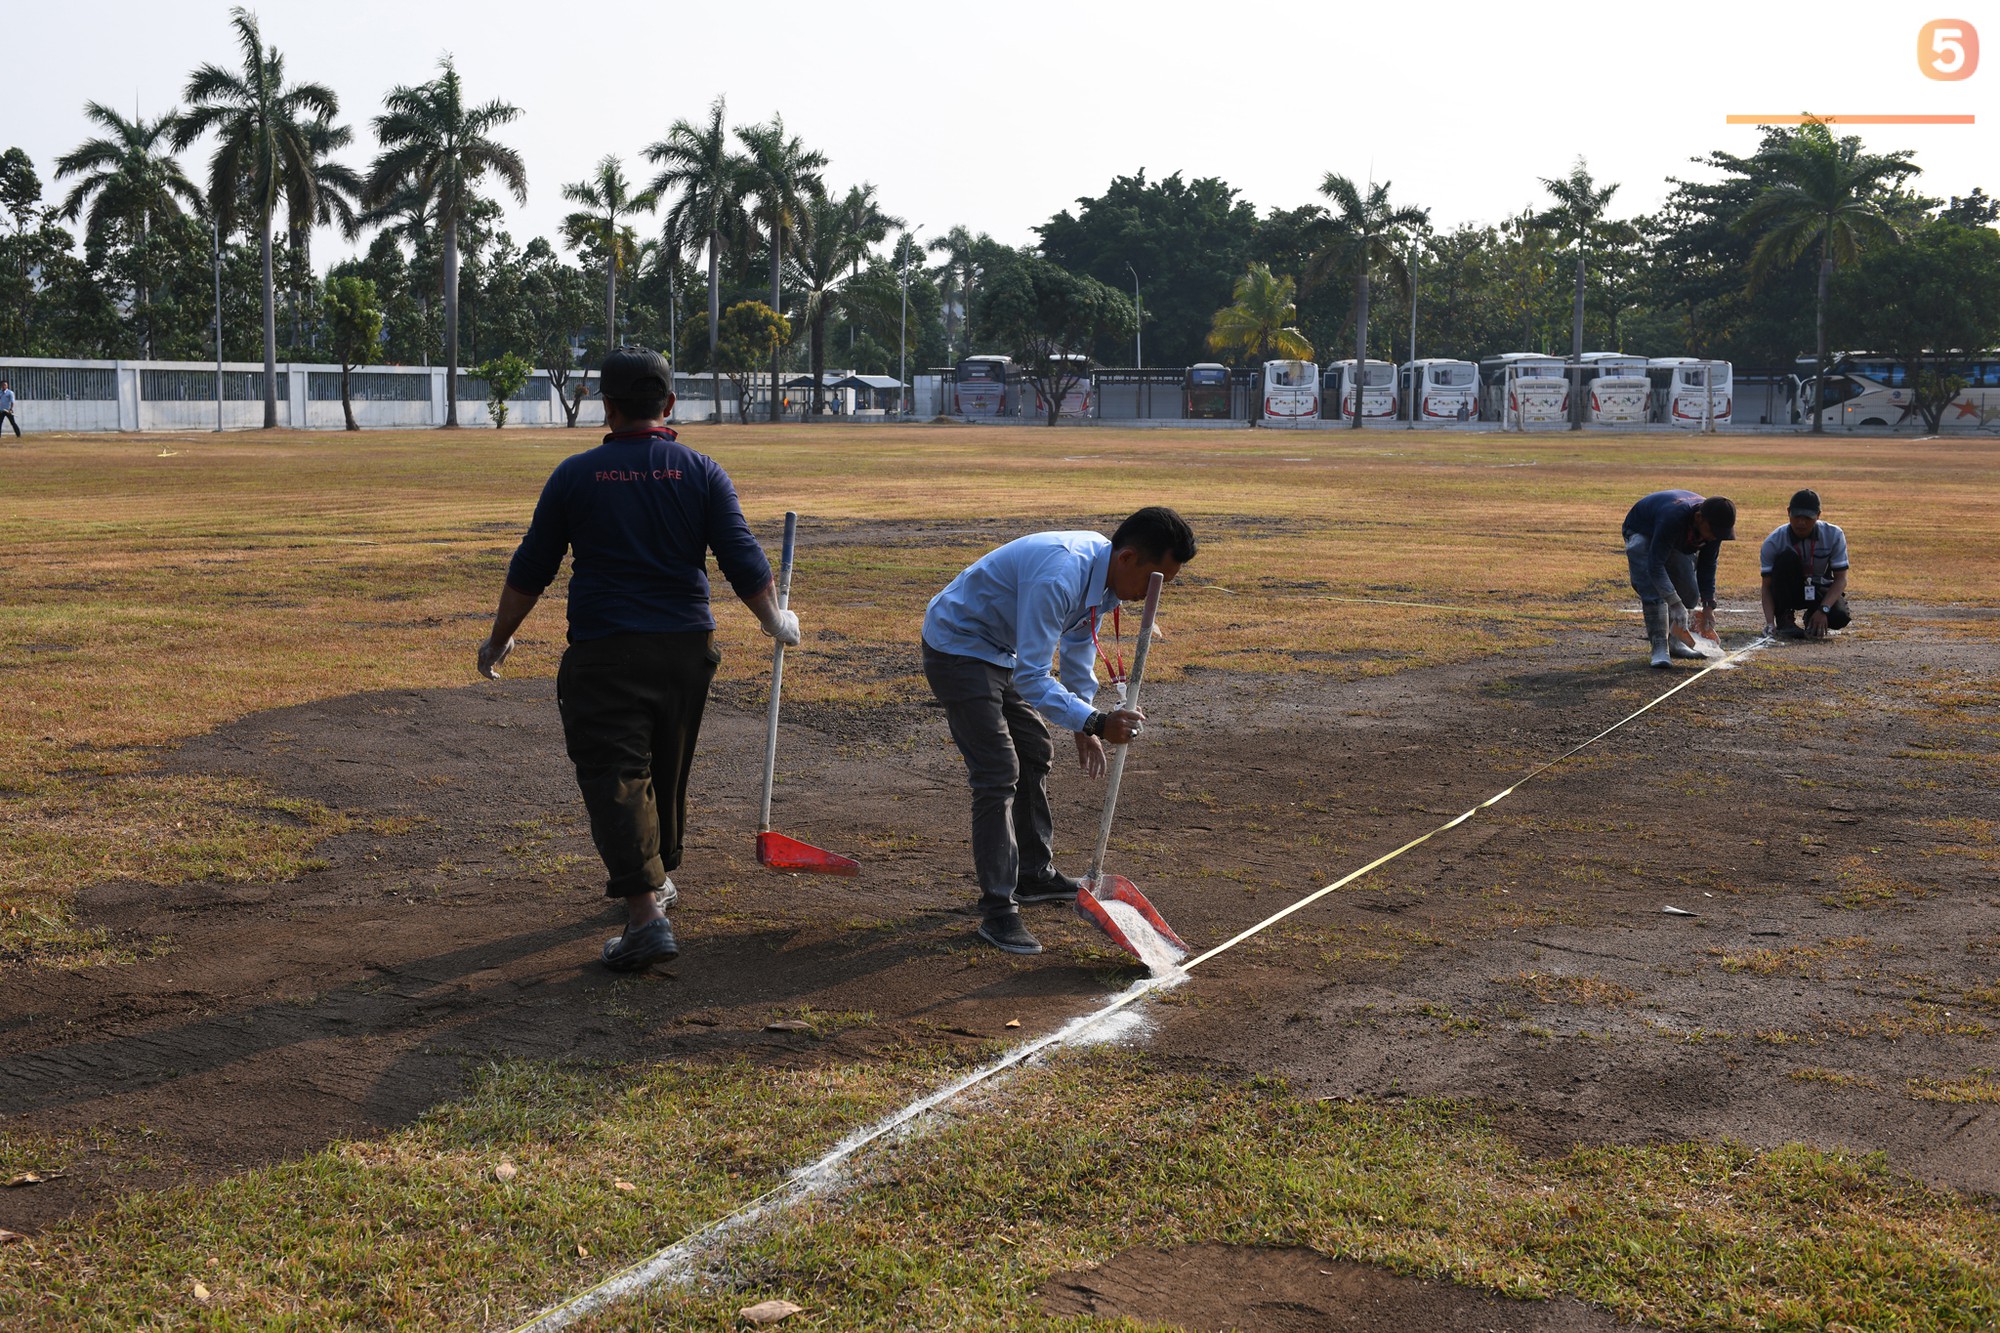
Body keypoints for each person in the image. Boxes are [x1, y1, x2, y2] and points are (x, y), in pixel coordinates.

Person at [476, 347, 798, 974]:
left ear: (609, 405)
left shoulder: (575, 474)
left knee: (615, 773)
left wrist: (500, 639)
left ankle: (646, 913)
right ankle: (658, 878)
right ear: (670, 404)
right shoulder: (702, 471)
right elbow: (741, 558)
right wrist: (773, 621)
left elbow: (531, 569)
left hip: (606, 650)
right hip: (686, 649)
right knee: (664, 768)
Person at [923, 507, 1198, 954]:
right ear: (1128, 558)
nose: (1155, 595)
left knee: (1033, 748)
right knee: (997, 771)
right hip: (959, 645)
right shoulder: (1061, 575)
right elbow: (1033, 677)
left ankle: (1032, 875)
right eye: (1154, 581)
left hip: (1000, 651)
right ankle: (998, 910)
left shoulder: (1104, 572)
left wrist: (1081, 718)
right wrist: (1094, 721)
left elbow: (1076, 644)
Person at [1622, 489, 1737, 668]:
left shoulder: (1713, 527)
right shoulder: (1673, 517)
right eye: (1713, 531)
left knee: (1689, 593)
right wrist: (1674, 604)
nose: (1714, 537)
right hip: (1642, 531)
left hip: (1673, 537)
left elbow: (1708, 566)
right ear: (1698, 518)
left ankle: (1675, 642)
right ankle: (1660, 645)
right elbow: (1655, 566)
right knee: (1653, 587)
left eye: (1720, 533)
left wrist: (1708, 606)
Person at [1760, 488, 1851, 640]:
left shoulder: (1834, 535)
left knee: (1839, 617)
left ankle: (1813, 616)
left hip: (1818, 587)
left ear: (1818, 515)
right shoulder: (1774, 541)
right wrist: (1770, 622)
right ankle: (1784, 618)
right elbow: (1767, 586)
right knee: (1786, 558)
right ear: (1788, 512)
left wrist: (1823, 610)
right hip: (1790, 590)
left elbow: (1841, 579)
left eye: (1808, 518)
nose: (1801, 523)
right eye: (1796, 516)